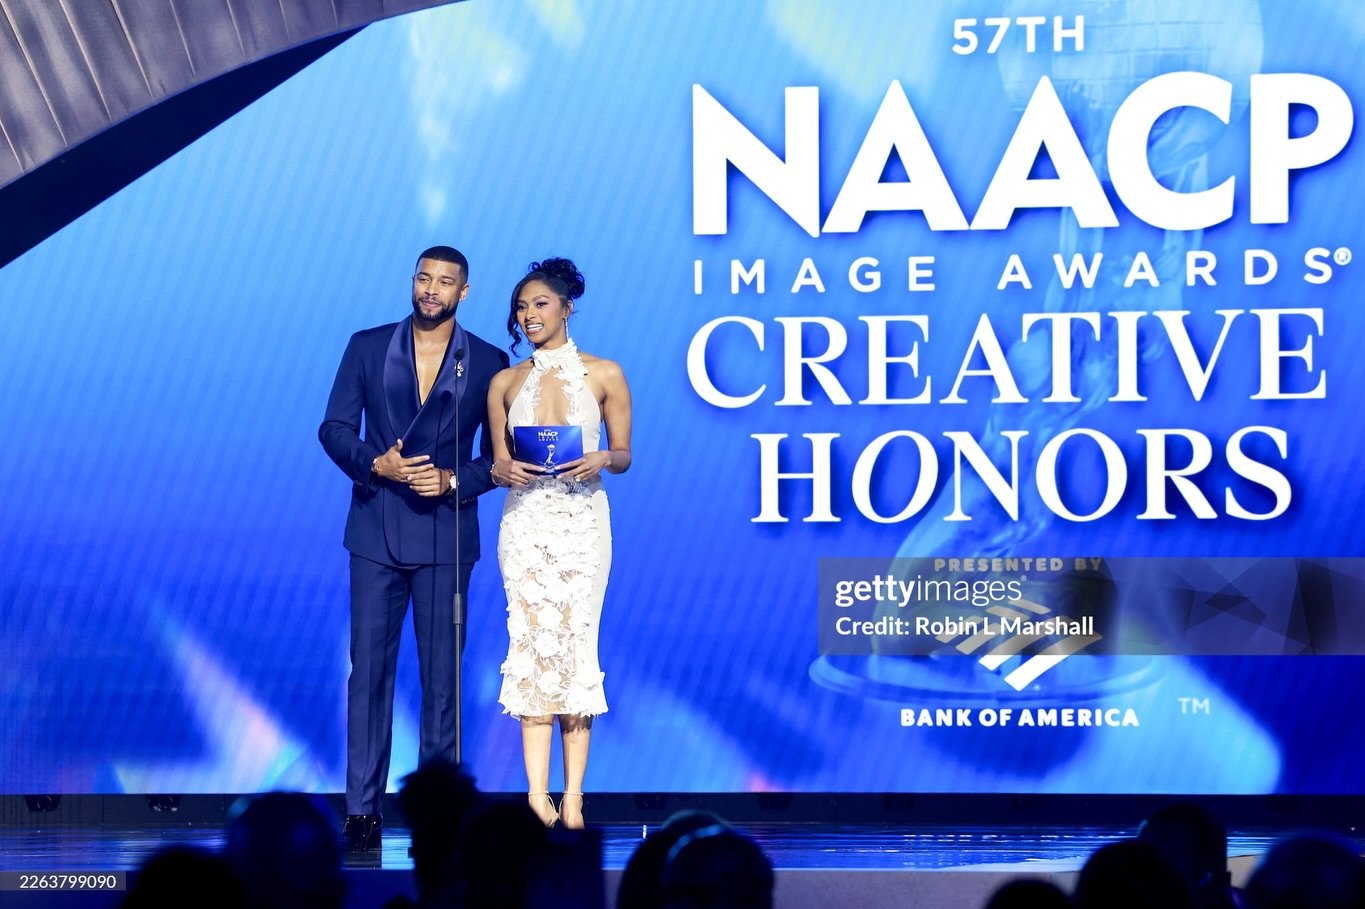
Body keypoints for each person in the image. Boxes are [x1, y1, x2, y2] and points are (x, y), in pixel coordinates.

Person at [320, 246, 508, 850]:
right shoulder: (368, 345)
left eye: (444, 282)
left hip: (446, 535)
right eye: (424, 278)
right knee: (367, 675)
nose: (431, 290)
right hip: (375, 529)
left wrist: (454, 480)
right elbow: (334, 428)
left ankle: (440, 809)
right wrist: (377, 463)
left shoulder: (487, 361)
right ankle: (362, 809)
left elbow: (501, 460)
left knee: (443, 680)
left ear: (464, 292)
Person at [487, 257, 632, 830]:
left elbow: (623, 454)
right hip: (525, 525)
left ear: (567, 308)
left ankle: (572, 797)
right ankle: (533, 796)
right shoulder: (504, 382)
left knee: (576, 647)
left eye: (540, 304)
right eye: (521, 307)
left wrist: (601, 457)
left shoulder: (605, 373)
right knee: (531, 646)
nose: (528, 316)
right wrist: (501, 468)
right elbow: (497, 459)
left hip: (581, 524)